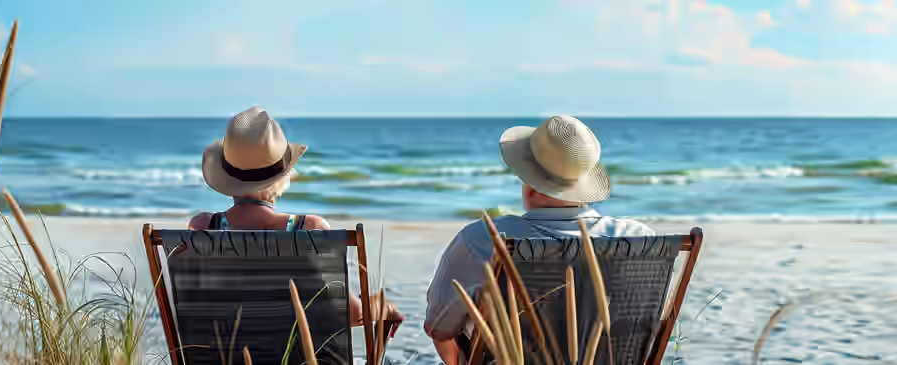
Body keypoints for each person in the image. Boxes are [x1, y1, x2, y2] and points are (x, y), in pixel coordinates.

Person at [424, 116, 655, 365]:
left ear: (530, 186)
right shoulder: (639, 239)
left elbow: (438, 327)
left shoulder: (481, 240)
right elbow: (646, 329)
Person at [190, 106, 404, 334]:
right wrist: (383, 307)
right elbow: (350, 313)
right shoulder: (310, 229)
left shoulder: (203, 227)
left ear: (226, 175)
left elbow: (196, 308)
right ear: (282, 175)